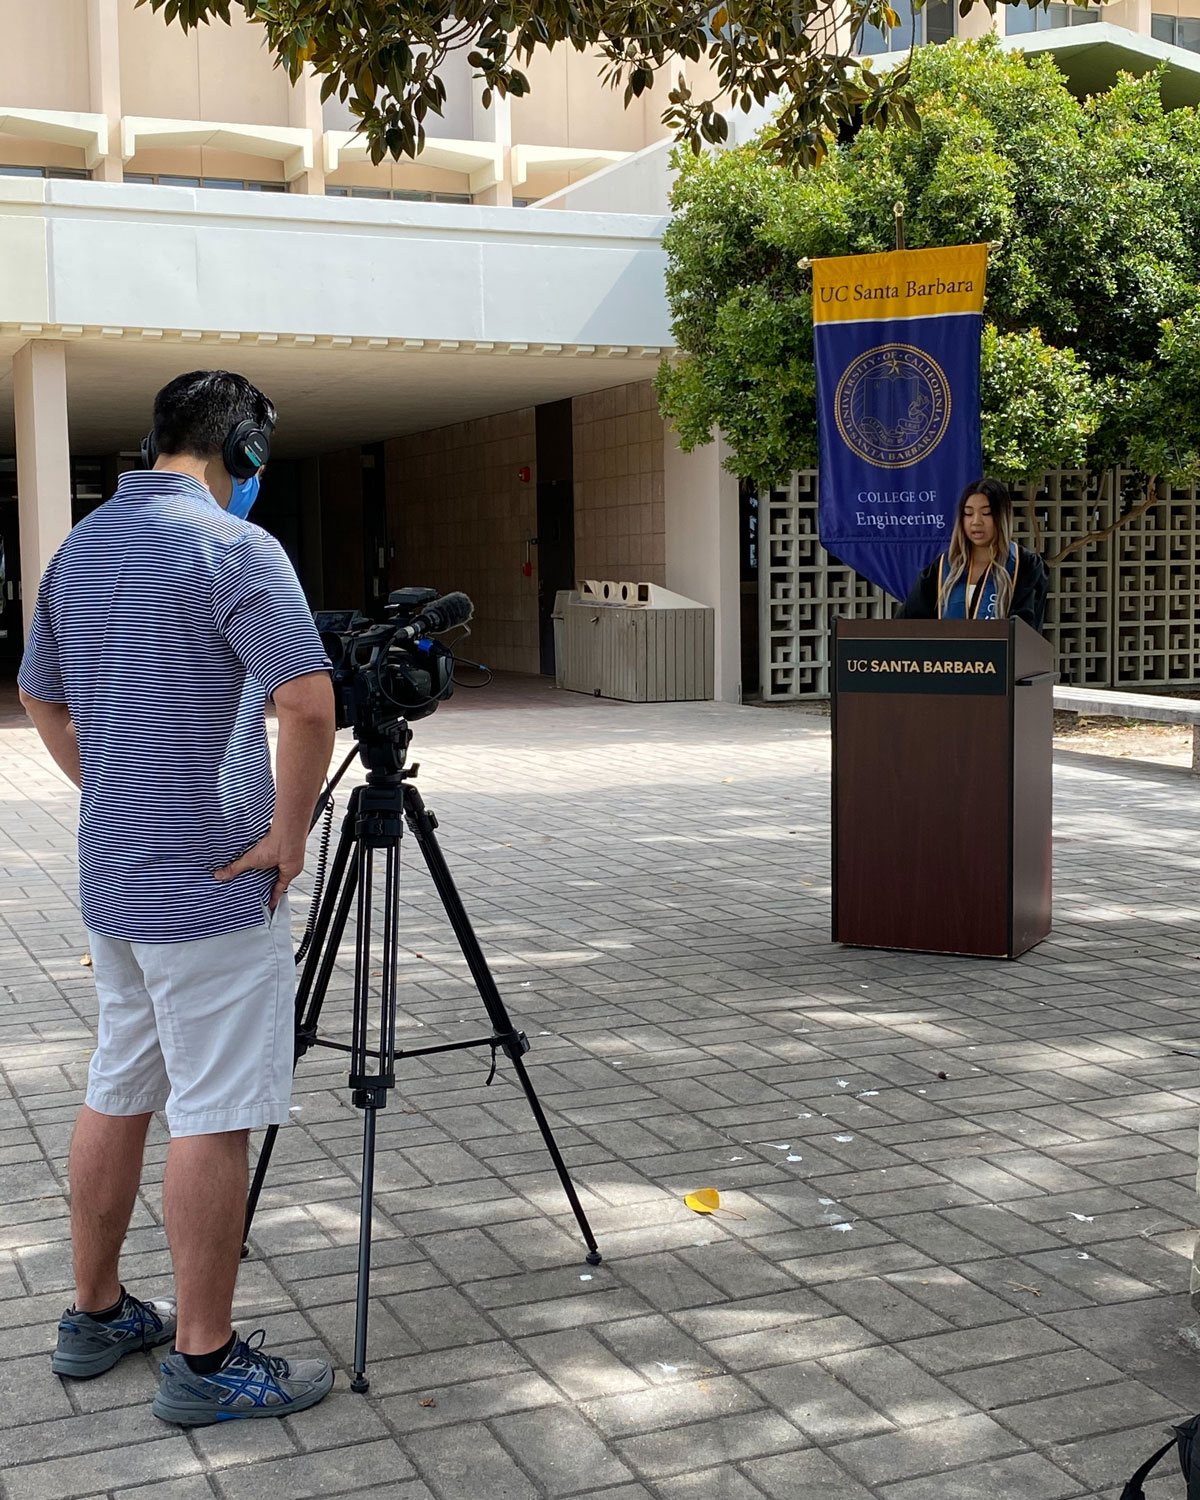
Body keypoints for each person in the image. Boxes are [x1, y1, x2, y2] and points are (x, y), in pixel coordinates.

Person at [18, 370, 337, 1426]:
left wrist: (109, 785)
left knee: (120, 1081)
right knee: (217, 1107)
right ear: (239, 450)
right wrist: (289, 840)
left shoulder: (79, 548)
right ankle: (203, 1363)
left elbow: (38, 693)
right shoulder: (237, 549)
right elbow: (306, 701)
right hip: (212, 884)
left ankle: (95, 1311)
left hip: (115, 876)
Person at [898, 477, 1049, 630]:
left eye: (987, 513)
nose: (976, 521)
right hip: (948, 653)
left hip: (1000, 653)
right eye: (968, 514)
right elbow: (908, 622)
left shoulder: (1025, 565)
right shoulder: (943, 566)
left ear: (1002, 516)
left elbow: (1027, 630)